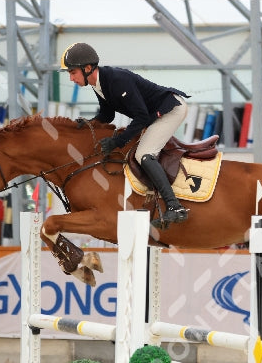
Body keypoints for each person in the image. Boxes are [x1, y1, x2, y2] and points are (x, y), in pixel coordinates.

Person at [60, 42, 190, 229]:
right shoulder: (98, 83)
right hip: (152, 114)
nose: (71, 78)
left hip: (170, 110)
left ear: (87, 68)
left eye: (72, 72)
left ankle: (174, 206)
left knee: (143, 154)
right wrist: (90, 123)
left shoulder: (116, 80)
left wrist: (117, 141)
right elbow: (108, 114)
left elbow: (142, 117)